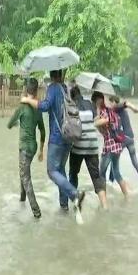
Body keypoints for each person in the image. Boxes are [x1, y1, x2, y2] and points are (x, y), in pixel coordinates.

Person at [21, 70, 86, 224]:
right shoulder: (67, 88)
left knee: (52, 171)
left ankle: (74, 194)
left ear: (51, 75)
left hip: (57, 137)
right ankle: (64, 206)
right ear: (62, 75)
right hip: (69, 137)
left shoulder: (53, 88)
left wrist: (27, 100)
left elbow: (44, 106)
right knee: (61, 170)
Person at [8, 78, 45, 218]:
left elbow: (9, 124)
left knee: (26, 177)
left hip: (24, 147)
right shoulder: (38, 110)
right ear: (36, 91)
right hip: (33, 147)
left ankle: (36, 212)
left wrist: (17, 123)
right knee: (23, 172)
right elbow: (42, 131)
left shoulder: (21, 108)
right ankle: (22, 198)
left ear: (25, 90)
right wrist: (41, 151)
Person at [69, 82, 108, 209]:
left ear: (72, 96)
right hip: (92, 145)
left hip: (78, 147)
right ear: (80, 94)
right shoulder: (90, 104)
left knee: (73, 173)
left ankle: (75, 200)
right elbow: (96, 121)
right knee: (96, 177)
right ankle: (105, 206)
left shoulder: (72, 106)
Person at [92, 91, 129, 199]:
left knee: (101, 174)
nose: (94, 105)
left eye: (94, 102)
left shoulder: (104, 112)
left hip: (109, 147)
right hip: (118, 145)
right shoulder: (111, 111)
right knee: (116, 173)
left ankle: (104, 201)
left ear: (97, 101)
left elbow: (103, 121)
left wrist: (95, 122)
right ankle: (127, 197)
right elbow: (105, 130)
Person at [109, 96, 138, 190]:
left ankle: (110, 182)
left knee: (114, 159)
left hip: (123, 138)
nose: (110, 105)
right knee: (135, 161)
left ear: (115, 102)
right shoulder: (120, 112)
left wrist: (135, 109)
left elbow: (126, 103)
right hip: (131, 138)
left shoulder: (117, 108)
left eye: (111, 102)